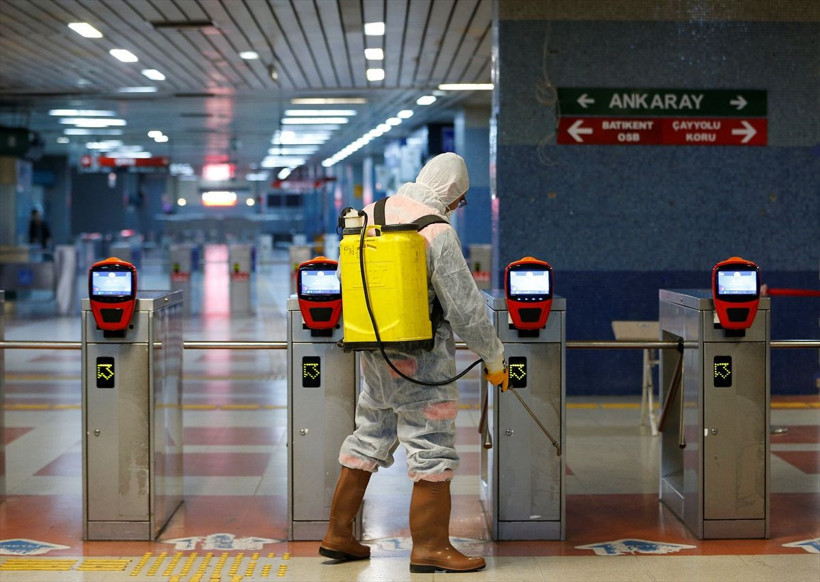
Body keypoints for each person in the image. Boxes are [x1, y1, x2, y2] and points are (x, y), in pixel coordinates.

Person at [319, 152, 509, 574]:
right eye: (459, 200)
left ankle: (338, 534)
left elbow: (346, 280)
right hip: (424, 362)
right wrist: (494, 358)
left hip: (375, 352)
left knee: (369, 436)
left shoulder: (368, 215)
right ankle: (431, 547)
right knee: (432, 447)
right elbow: (465, 308)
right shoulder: (436, 230)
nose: (457, 207)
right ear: (453, 194)